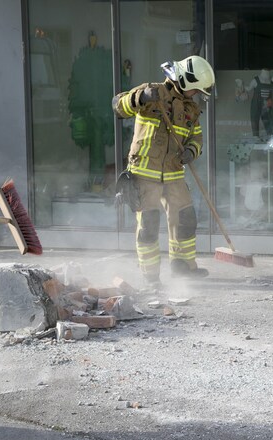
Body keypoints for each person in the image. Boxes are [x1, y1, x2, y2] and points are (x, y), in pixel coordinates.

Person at [111, 55, 216, 286]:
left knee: (186, 219)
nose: (197, 94)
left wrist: (191, 150)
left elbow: (196, 138)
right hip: (144, 173)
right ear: (187, 81)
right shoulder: (152, 92)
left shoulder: (191, 109)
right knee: (149, 225)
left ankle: (183, 267)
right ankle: (151, 277)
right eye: (195, 90)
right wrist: (140, 97)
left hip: (174, 174)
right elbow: (118, 106)